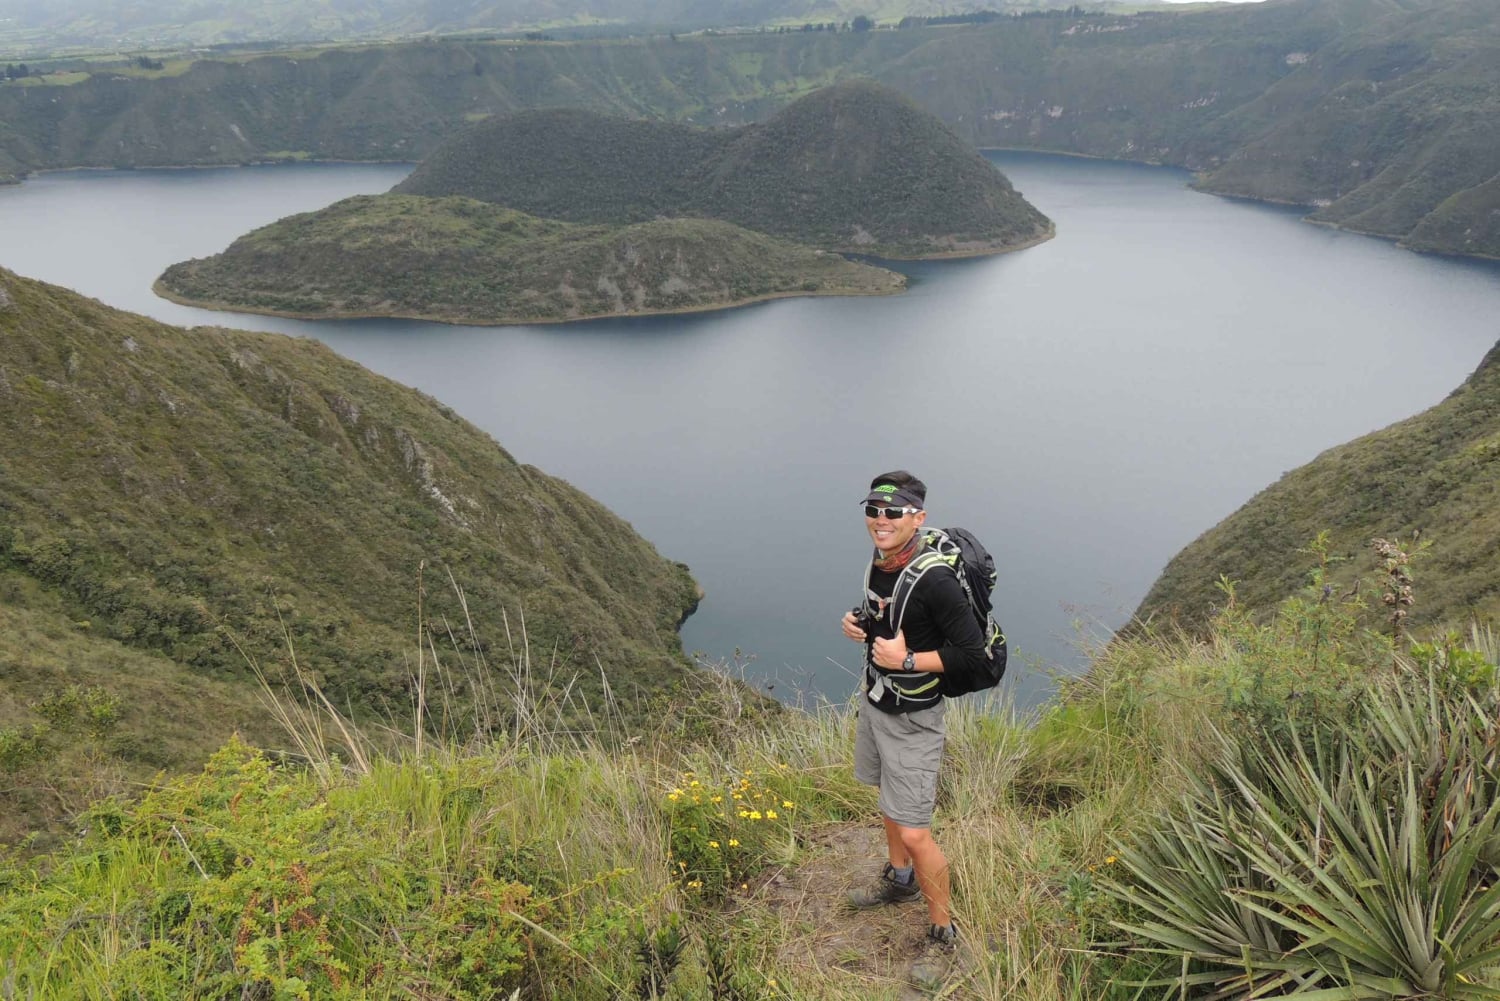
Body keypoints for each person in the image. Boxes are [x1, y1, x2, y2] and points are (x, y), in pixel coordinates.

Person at [840, 470, 987, 983]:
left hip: (914, 719)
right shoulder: (884, 562)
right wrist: (860, 624)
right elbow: (894, 619)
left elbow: (977, 659)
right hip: (877, 703)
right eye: (874, 510)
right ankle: (899, 879)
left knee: (915, 829)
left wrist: (907, 662)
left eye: (894, 513)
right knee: (884, 795)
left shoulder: (938, 580)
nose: (880, 521)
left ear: (917, 518)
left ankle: (943, 935)